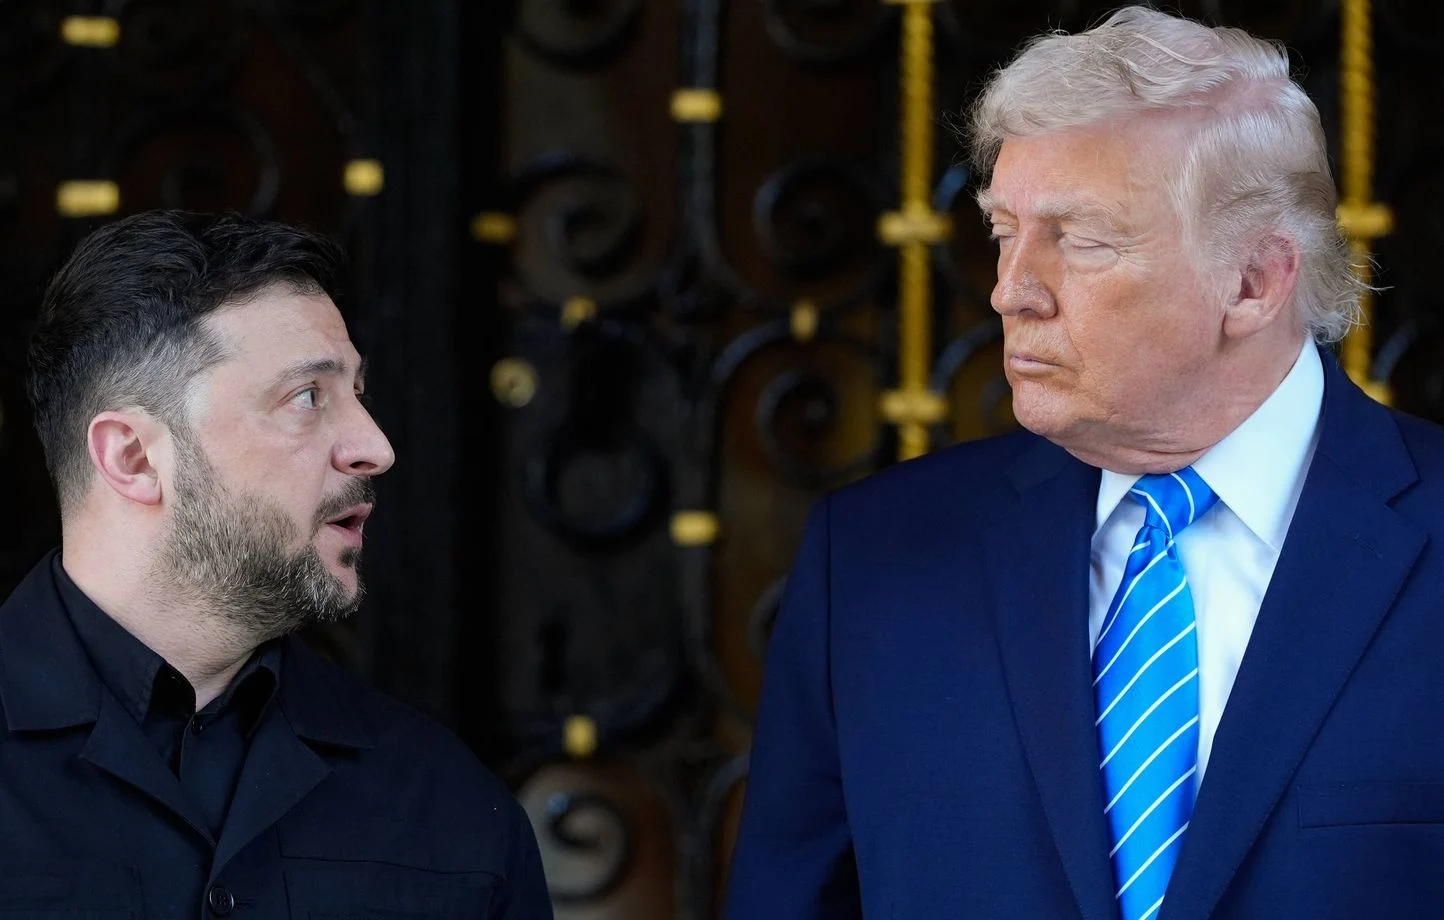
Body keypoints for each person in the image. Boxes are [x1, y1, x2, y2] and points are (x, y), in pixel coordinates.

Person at [726, 7, 1444, 919]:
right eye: (1004, 232)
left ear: (1255, 281)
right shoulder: (872, 563)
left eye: (1082, 240)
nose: (1011, 291)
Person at [2, 210, 552, 918]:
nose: (375, 447)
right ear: (134, 458)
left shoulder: (447, 802)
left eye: (356, 394)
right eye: (307, 398)